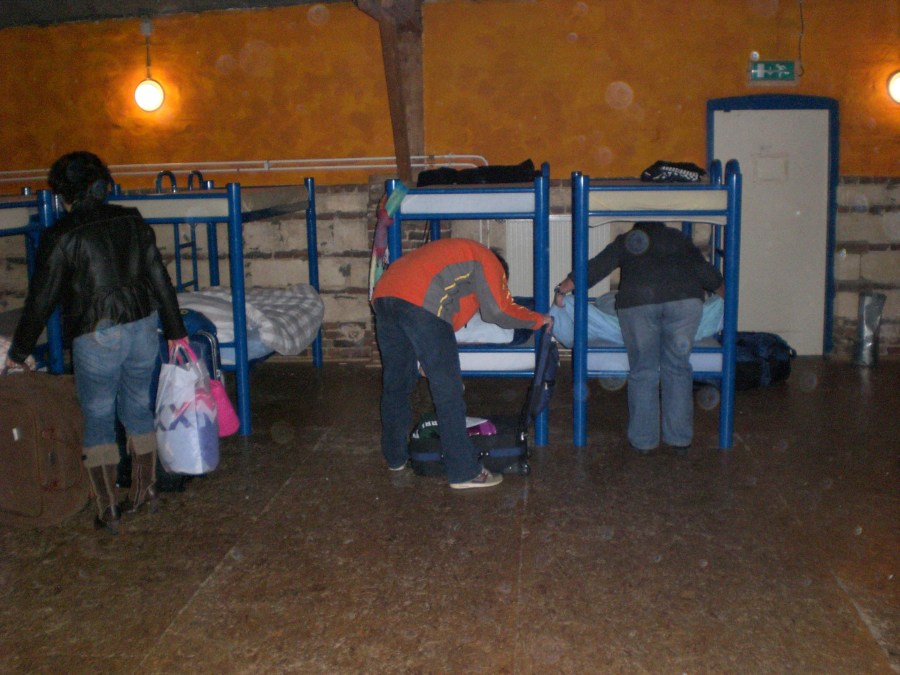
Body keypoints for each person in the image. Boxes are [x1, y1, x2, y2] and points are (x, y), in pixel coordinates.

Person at [4, 151, 187, 533]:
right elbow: (159, 279)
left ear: (63, 194)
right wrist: (176, 332)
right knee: (138, 408)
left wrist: (18, 352)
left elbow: (42, 300)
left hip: (96, 335)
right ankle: (146, 490)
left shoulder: (62, 235)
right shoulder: (132, 219)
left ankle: (108, 507)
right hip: (143, 325)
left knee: (98, 418)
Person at [371, 238, 552, 489]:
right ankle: (464, 472)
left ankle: (395, 457)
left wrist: (426, 358)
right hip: (419, 301)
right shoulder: (487, 260)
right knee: (448, 392)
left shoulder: (455, 262)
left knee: (397, 385)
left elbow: (444, 324)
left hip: (384, 294)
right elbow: (499, 310)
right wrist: (539, 319)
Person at [554, 221, 723, 454]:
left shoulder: (628, 239)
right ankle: (680, 440)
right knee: (678, 368)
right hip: (685, 302)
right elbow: (707, 274)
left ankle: (644, 442)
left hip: (638, 303)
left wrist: (562, 288)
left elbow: (596, 267)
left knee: (644, 370)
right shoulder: (679, 239)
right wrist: (726, 297)